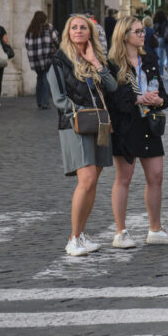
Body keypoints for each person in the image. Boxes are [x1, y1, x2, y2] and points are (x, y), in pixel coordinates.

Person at [106, 16, 168, 249]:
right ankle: (120, 232)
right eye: (138, 31)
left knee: (156, 177)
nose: (143, 35)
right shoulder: (112, 64)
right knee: (124, 179)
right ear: (124, 35)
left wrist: (159, 99)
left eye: (142, 31)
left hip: (149, 124)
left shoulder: (148, 59)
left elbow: (163, 93)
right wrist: (139, 98)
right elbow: (114, 99)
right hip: (126, 126)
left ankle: (155, 228)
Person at [48, 15, 118, 256]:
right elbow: (58, 98)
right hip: (75, 125)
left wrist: (94, 62)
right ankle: (74, 239)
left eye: (83, 28)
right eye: (74, 27)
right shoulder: (58, 61)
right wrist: (80, 113)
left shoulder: (94, 58)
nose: (78, 31)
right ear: (68, 32)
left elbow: (112, 87)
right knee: (86, 179)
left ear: (90, 33)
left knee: (93, 181)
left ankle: (79, 234)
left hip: (99, 124)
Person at [25, 11, 59, 109]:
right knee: (46, 78)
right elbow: (56, 40)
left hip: (35, 59)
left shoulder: (30, 30)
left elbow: (27, 44)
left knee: (40, 78)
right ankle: (44, 102)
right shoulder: (49, 28)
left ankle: (39, 101)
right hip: (47, 57)